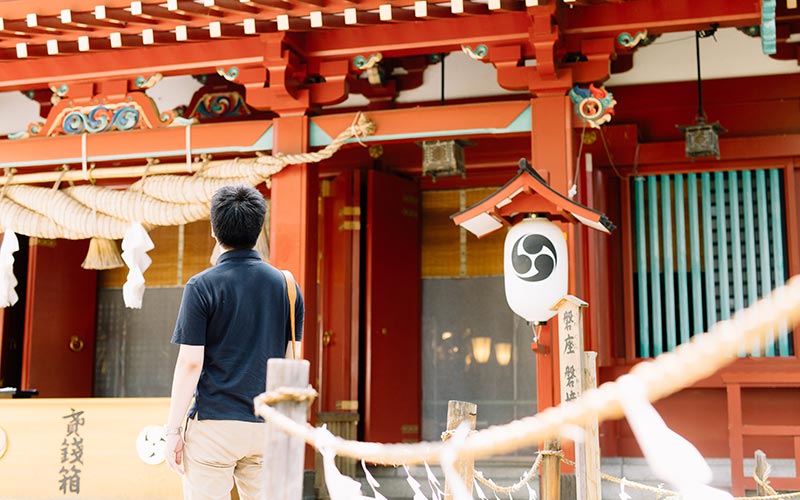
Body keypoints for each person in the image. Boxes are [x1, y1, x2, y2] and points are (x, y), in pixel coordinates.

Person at [164, 184, 304, 500]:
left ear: (215, 230)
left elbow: (190, 363)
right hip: (266, 425)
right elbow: (289, 360)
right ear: (259, 229)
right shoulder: (288, 287)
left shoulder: (201, 286)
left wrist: (173, 430)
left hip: (214, 425)